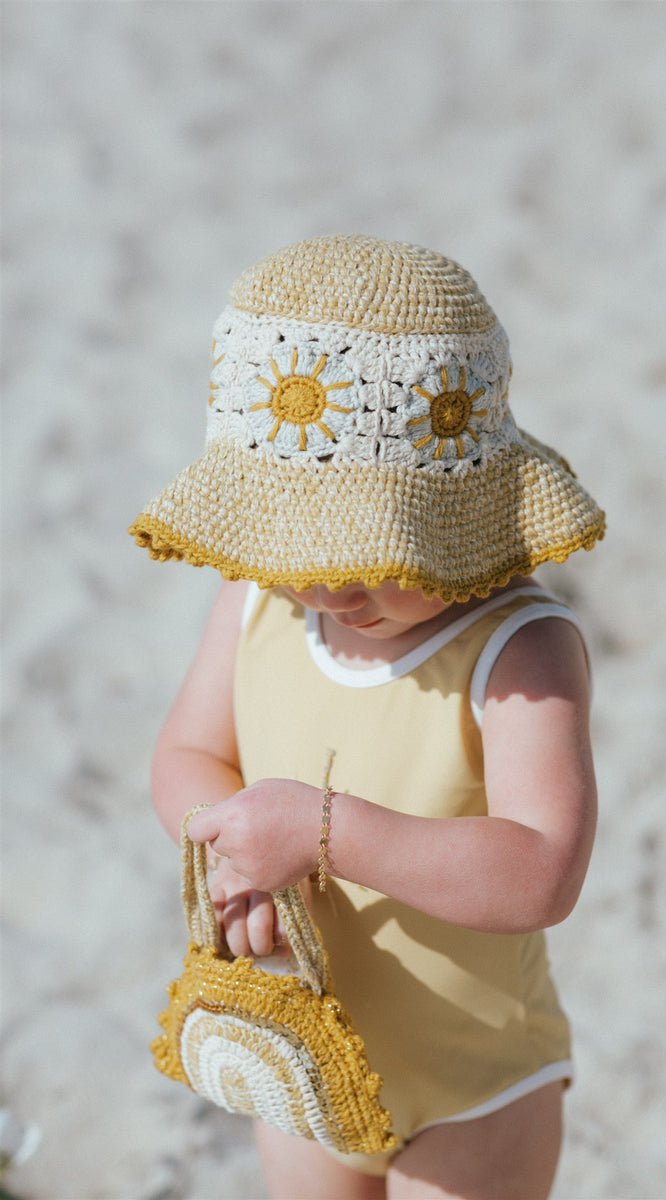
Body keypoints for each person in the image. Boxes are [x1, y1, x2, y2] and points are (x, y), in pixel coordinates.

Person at [130, 234, 605, 1200]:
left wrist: (319, 832)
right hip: (300, 1049)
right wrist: (231, 845)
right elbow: (186, 753)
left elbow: (540, 873)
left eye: (367, 544)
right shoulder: (260, 599)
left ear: (453, 510)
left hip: (475, 1084)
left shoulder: (520, 650)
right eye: (306, 543)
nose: (332, 583)